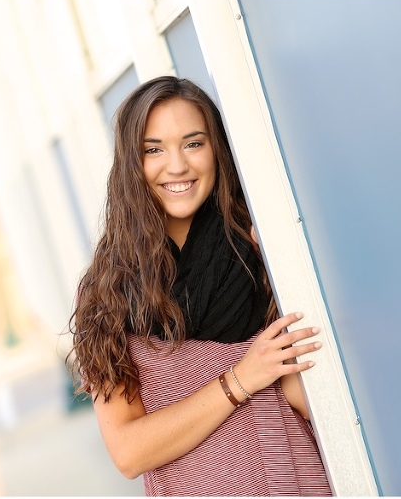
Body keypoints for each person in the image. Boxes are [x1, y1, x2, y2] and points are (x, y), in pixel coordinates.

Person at [67, 76, 332, 496]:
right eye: (153, 149)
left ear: (216, 150)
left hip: (297, 482)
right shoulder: (108, 292)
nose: (177, 166)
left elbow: (312, 394)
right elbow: (129, 452)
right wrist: (240, 379)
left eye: (193, 143)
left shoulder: (260, 246)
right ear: (131, 164)